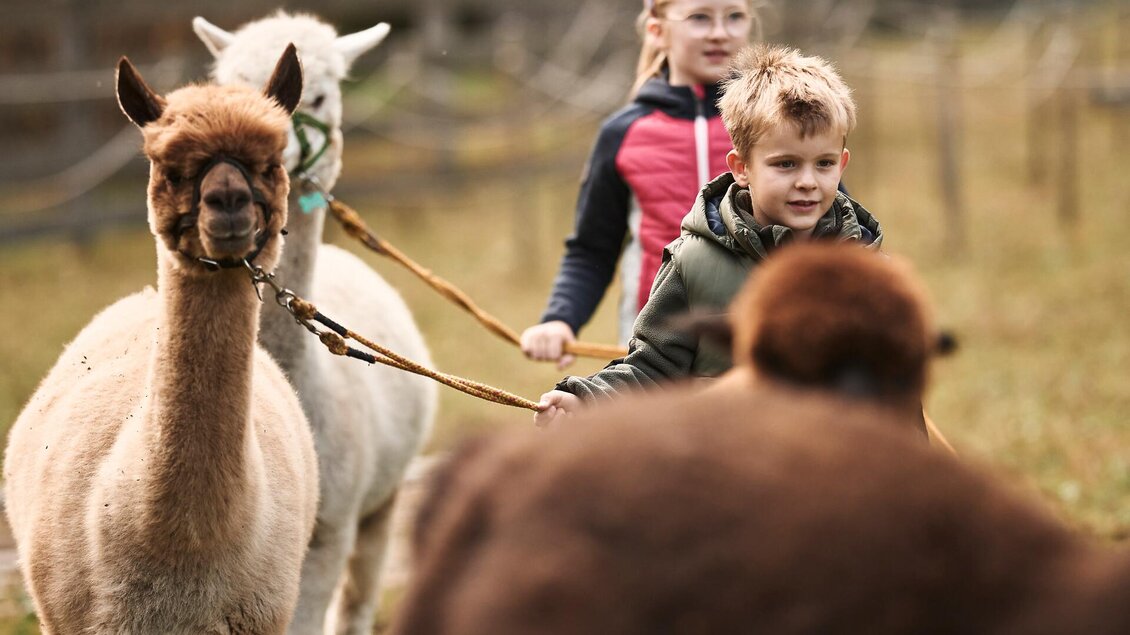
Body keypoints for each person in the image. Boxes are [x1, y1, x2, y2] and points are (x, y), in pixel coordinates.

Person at [535, 43, 884, 426]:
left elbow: (891, 390)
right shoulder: (692, 263)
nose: (807, 182)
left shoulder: (862, 266)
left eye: (824, 164)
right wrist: (586, 400)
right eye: (785, 164)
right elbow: (651, 370)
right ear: (742, 168)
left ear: (842, 163)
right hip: (721, 472)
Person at [520, 0, 762, 369]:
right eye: (699, 17)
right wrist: (560, 318)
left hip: (759, 344)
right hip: (654, 354)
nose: (720, 32)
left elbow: (834, 224)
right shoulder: (622, 134)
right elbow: (592, 250)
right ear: (656, 30)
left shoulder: (775, 124)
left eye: (734, 16)